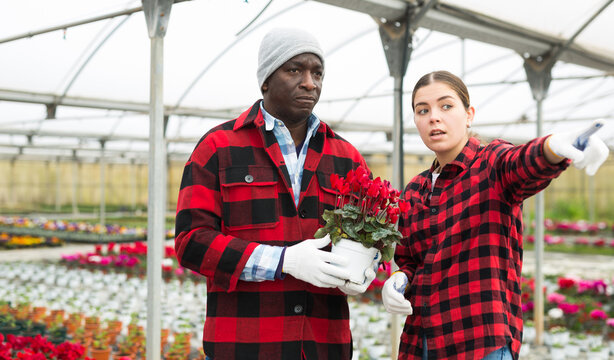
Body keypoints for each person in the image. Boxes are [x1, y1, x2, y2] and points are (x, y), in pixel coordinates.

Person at [174, 27, 377, 360]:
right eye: (294, 70)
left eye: (317, 72)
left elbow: (367, 238)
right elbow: (191, 242)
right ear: (266, 80)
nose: (310, 82)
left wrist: (365, 269)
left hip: (323, 345)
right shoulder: (219, 147)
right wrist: (284, 261)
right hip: (244, 347)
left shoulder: (346, 157)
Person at [381, 70, 609, 360]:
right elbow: (412, 259)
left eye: (446, 106)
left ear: (469, 115)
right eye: (422, 110)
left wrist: (554, 146)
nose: (433, 117)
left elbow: (523, 162)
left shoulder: (491, 164)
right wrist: (400, 278)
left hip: (478, 342)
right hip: (422, 342)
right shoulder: (415, 190)